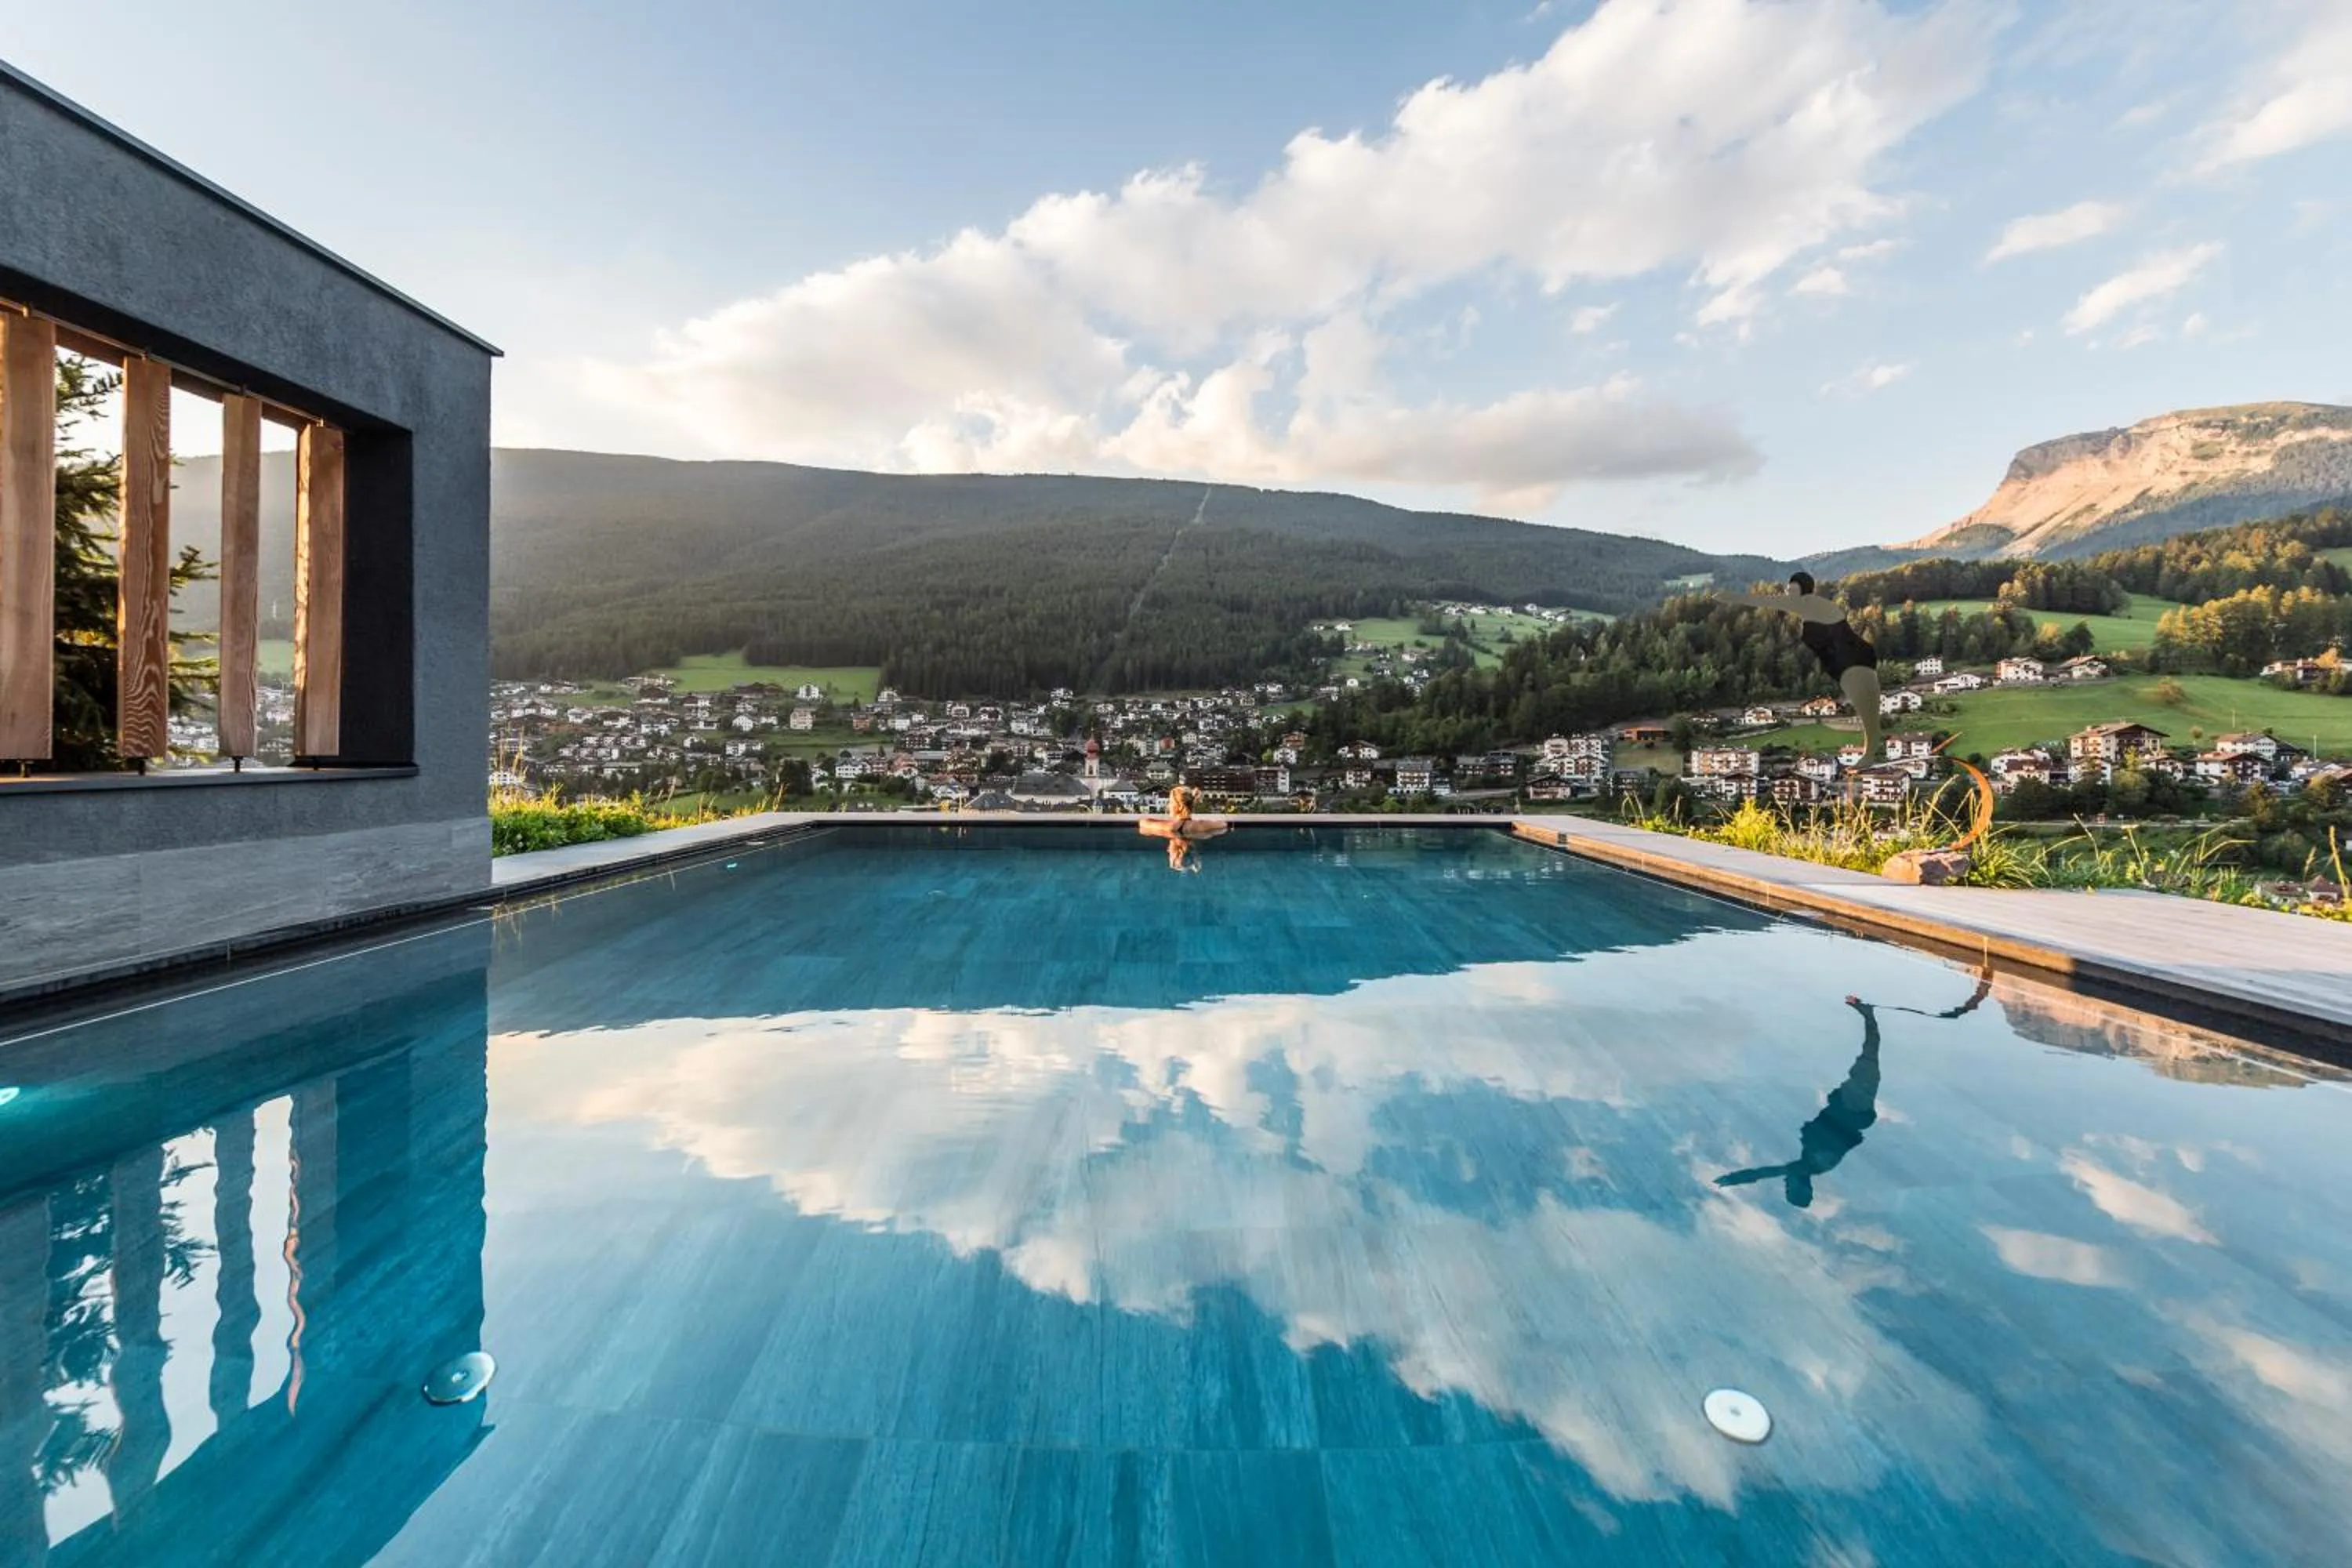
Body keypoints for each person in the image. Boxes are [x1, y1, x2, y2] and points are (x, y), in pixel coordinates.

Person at [1715, 967, 1991, 1208]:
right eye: (1791, 1188)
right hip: (1853, 1107)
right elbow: (1767, 1173)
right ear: (1802, 1188)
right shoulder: (1811, 1167)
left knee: (1869, 1057)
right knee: (1870, 1057)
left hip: (1850, 1108)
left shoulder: (1810, 1168)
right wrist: (1736, 1179)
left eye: (1788, 1188)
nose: (1787, 1184)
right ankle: (1867, 1015)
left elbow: (1768, 1172)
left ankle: (1866, 1014)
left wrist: (1736, 1179)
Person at [1722, 572, 1884, 763]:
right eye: (1787, 589)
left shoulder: (1809, 603)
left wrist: (1731, 598)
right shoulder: (1811, 607)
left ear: (1803, 589)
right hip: (1847, 660)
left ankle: (1870, 751)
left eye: (1792, 589)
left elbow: (1768, 601)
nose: (1788, 593)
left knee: (1866, 707)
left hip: (1853, 659)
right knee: (1866, 707)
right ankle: (1872, 749)